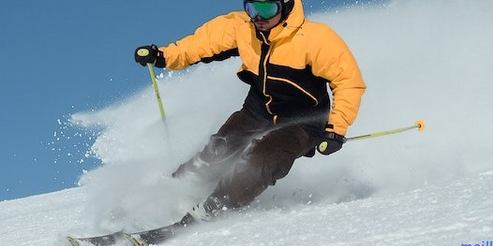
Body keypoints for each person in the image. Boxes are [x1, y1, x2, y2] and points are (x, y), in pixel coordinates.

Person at [134, 0, 366, 220]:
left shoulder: (315, 38)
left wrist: (336, 129)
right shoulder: (243, 27)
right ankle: (170, 193)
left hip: (303, 123)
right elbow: (201, 44)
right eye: (252, 8)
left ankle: (216, 206)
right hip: (258, 112)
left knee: (260, 161)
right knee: (219, 150)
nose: (258, 17)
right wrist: (164, 56)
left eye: (266, 10)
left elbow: (348, 82)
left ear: (284, 7)